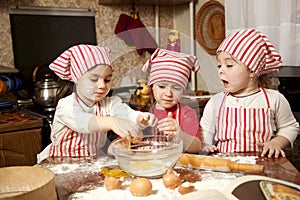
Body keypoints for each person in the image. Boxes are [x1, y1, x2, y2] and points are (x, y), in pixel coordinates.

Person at [37, 44, 157, 163]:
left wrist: (139, 118)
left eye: (107, 80)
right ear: (77, 78)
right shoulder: (66, 106)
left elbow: (124, 113)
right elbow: (83, 122)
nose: (102, 86)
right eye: (94, 79)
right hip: (60, 163)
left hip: (93, 162)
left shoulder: (109, 103)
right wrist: (112, 122)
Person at [200, 29, 299, 158]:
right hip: (225, 166)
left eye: (229, 65)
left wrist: (277, 143)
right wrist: (205, 144)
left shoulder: (274, 99)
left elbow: (290, 127)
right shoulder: (215, 102)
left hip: (263, 163)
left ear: (252, 70)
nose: (221, 71)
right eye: (219, 66)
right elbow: (205, 131)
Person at [142, 48, 202, 153]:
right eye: (162, 86)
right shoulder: (141, 113)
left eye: (176, 88)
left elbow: (197, 147)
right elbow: (116, 146)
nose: (168, 94)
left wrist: (179, 134)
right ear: (152, 86)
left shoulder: (186, 113)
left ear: (183, 90)